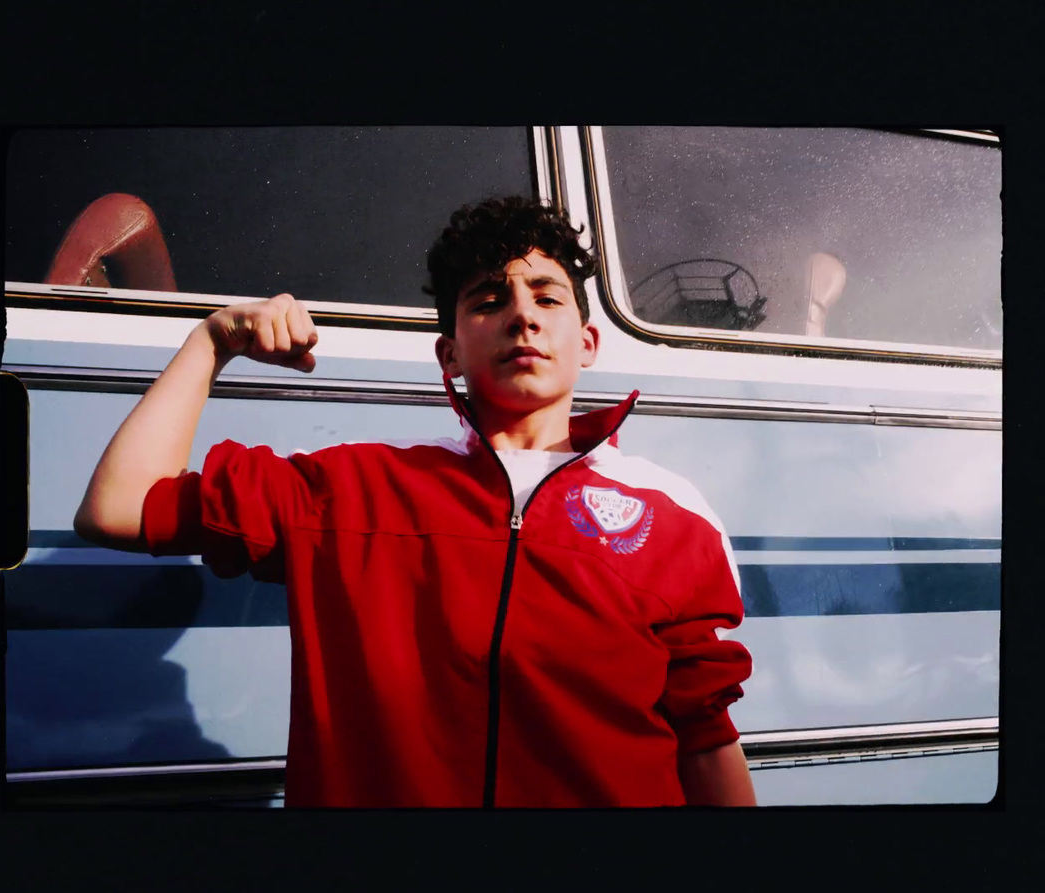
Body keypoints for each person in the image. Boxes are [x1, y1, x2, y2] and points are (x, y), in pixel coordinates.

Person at [73, 195, 755, 807]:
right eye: (489, 299)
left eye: (547, 298)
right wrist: (210, 342)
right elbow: (118, 506)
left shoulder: (675, 516)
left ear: (589, 341)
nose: (521, 313)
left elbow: (703, 737)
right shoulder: (348, 492)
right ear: (449, 353)